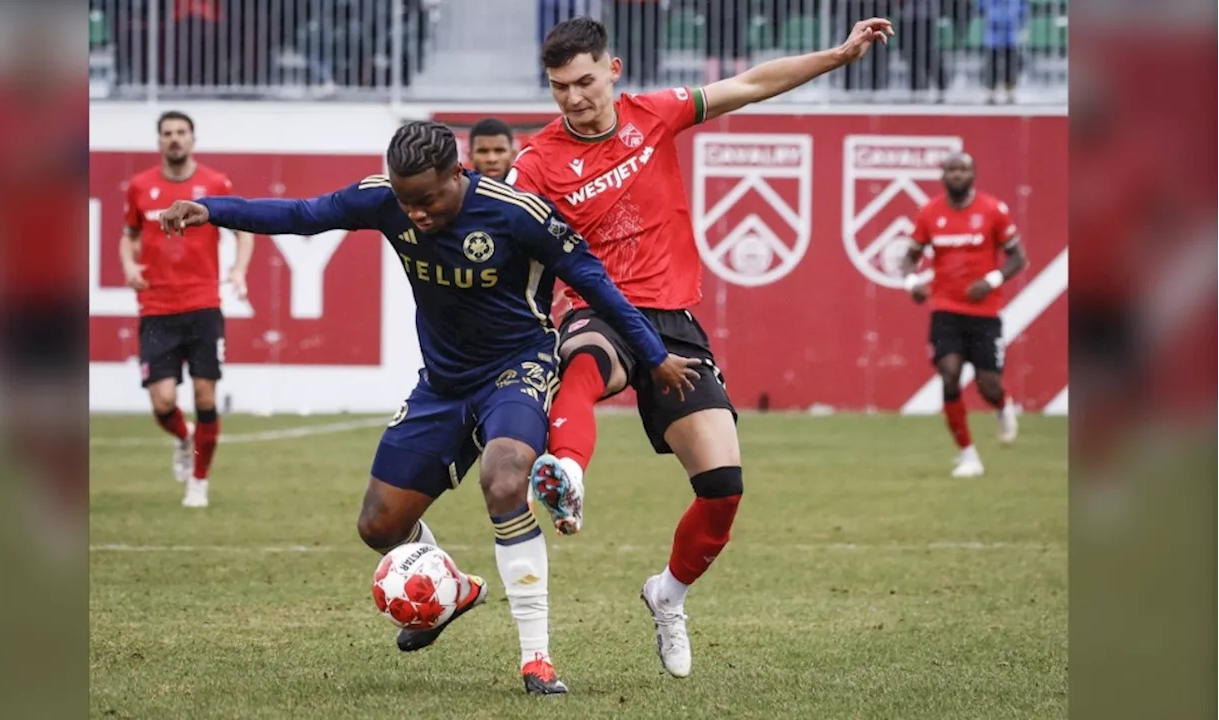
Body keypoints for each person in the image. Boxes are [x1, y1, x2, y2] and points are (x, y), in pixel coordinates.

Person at [156, 121, 700, 695]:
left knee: (507, 475)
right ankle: (455, 586)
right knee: (378, 525)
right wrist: (209, 210)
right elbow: (302, 214)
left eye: (427, 199)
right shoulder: (386, 199)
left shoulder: (519, 215)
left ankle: (536, 659)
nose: (414, 212)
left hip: (518, 368)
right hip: (442, 385)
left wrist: (655, 356)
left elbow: (596, 282)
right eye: (404, 199)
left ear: (457, 173)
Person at [507, 15, 892, 678]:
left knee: (722, 488)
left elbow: (748, 84)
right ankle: (567, 473)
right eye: (559, 87)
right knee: (586, 361)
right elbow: (498, 221)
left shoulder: (654, 114)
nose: (573, 97)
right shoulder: (537, 162)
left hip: (674, 323)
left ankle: (668, 595)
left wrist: (838, 55)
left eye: (584, 81)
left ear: (613, 71)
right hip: (597, 309)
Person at [120, 110, 253, 508]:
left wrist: (239, 269)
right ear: (158, 141)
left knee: (205, 396)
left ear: (192, 139)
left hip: (203, 305)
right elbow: (128, 237)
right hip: (156, 306)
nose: (174, 139)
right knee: (162, 402)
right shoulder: (140, 187)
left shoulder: (214, 185)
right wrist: (128, 264)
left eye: (181, 132)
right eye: (167, 133)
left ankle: (199, 480)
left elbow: (243, 230)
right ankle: (185, 437)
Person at [900, 152, 1027, 478]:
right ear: (943, 175)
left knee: (989, 386)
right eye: (952, 170)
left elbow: (1017, 258)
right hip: (946, 309)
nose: (957, 175)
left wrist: (992, 280)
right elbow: (909, 257)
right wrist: (913, 281)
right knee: (949, 373)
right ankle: (968, 455)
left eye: (963, 169)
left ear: (973, 174)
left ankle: (1001, 406)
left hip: (985, 313)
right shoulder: (929, 213)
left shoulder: (993, 210)